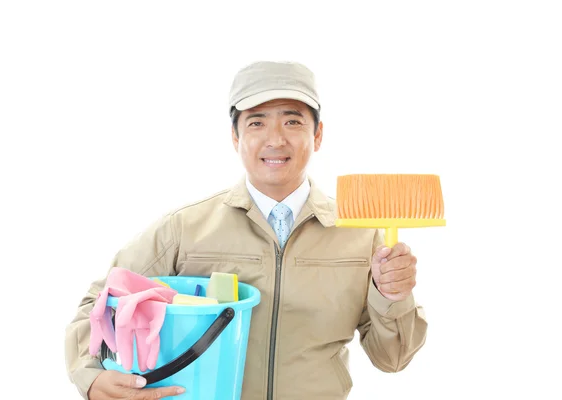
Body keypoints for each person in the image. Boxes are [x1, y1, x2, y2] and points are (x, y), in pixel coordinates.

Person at [64, 60, 428, 400]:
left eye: (293, 121)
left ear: (317, 136)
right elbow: (100, 301)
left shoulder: (363, 236)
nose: (275, 139)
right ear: (236, 138)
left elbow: (391, 358)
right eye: (256, 123)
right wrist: (90, 375)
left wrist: (392, 295)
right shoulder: (185, 229)